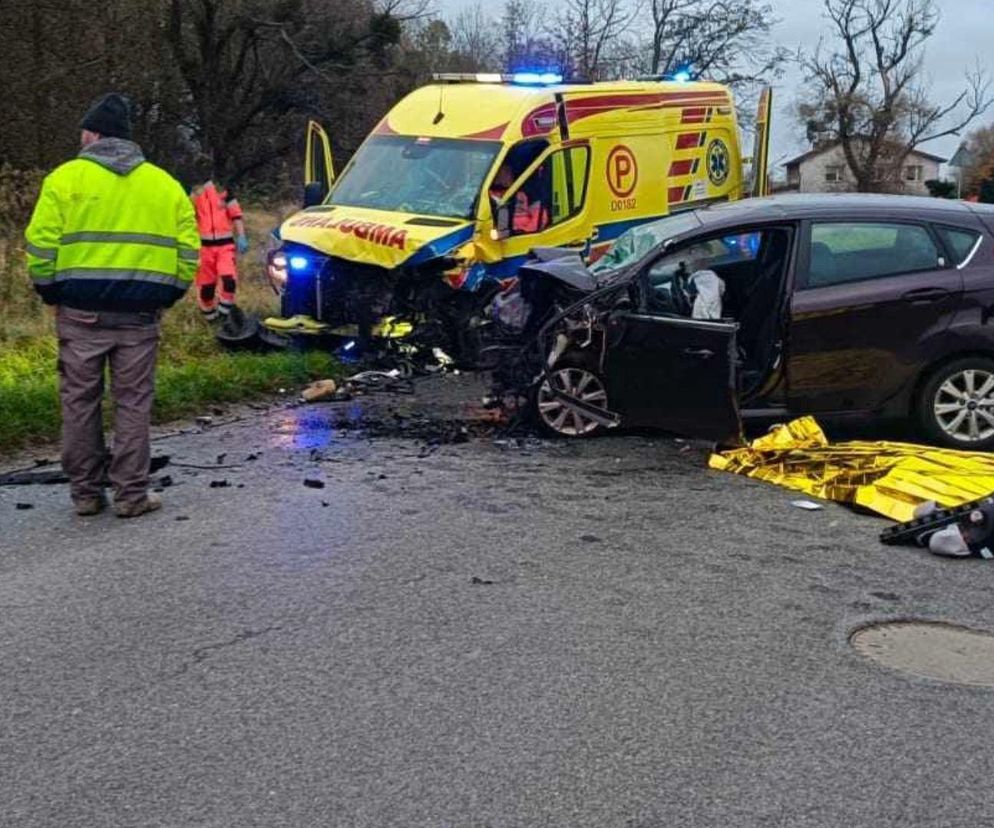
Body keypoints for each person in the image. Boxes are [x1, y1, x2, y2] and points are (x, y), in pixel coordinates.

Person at [24, 93, 199, 518]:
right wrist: (168, 295)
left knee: (80, 402)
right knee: (133, 403)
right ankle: (131, 496)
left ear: (93, 134)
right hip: (139, 317)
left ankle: (86, 494)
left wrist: (51, 292)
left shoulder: (65, 179)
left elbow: (40, 245)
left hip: (79, 313)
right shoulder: (164, 184)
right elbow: (188, 251)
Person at [190, 178, 248, 322]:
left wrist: (241, 236)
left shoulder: (224, 192)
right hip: (204, 249)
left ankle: (224, 314)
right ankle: (210, 317)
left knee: (229, 281)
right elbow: (188, 217)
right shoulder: (195, 194)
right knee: (207, 288)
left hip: (225, 247)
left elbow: (236, 216)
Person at [489, 165, 548, 234]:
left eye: (508, 173)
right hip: (499, 236)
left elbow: (540, 217)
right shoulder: (487, 196)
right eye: (500, 174)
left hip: (524, 236)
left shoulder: (522, 195)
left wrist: (525, 231)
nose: (505, 176)